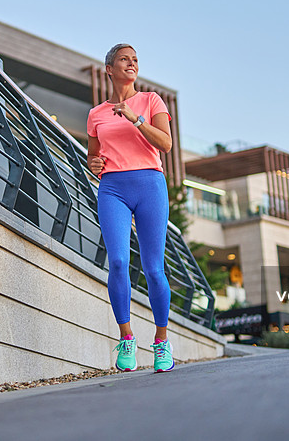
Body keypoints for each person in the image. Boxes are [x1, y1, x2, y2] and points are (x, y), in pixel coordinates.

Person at [86, 43, 175, 373]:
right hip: (113, 189)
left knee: (154, 268)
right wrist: (93, 163)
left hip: (150, 185)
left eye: (135, 59)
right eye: (125, 59)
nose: (132, 63)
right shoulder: (96, 114)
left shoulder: (151, 101)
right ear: (109, 68)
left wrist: (136, 119)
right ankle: (126, 337)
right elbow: (92, 157)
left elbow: (165, 144)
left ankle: (161, 341)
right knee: (119, 261)